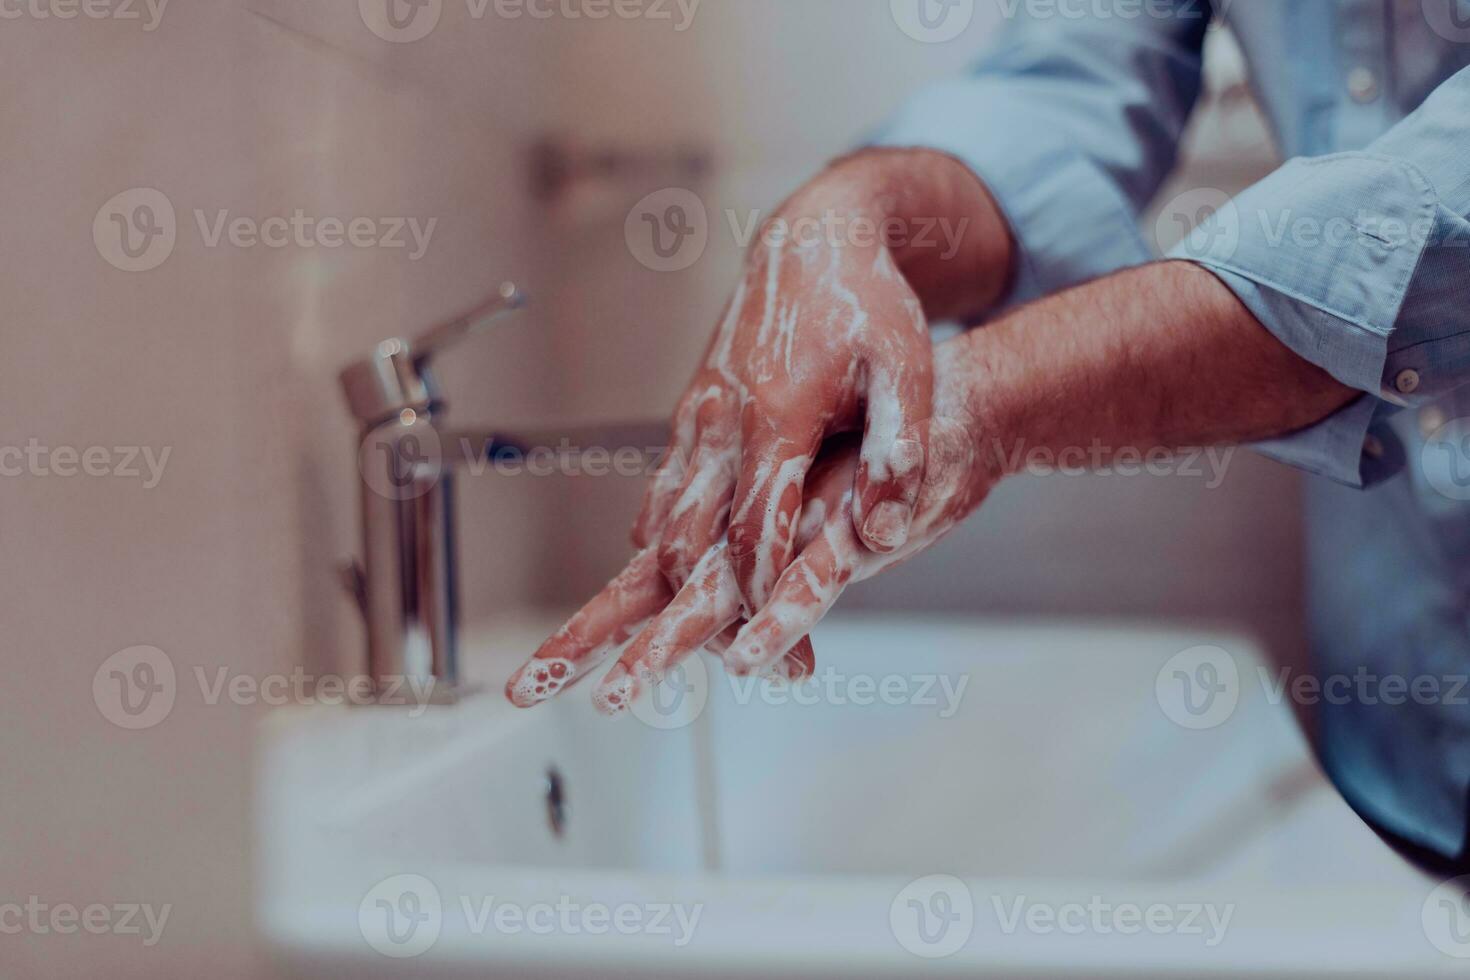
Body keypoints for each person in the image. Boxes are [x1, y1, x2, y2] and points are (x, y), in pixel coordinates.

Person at [506, 2, 1470, 871]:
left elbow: (1429, 235)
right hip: (1391, 748)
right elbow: (1068, 85)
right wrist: (846, 217)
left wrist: (984, 399)